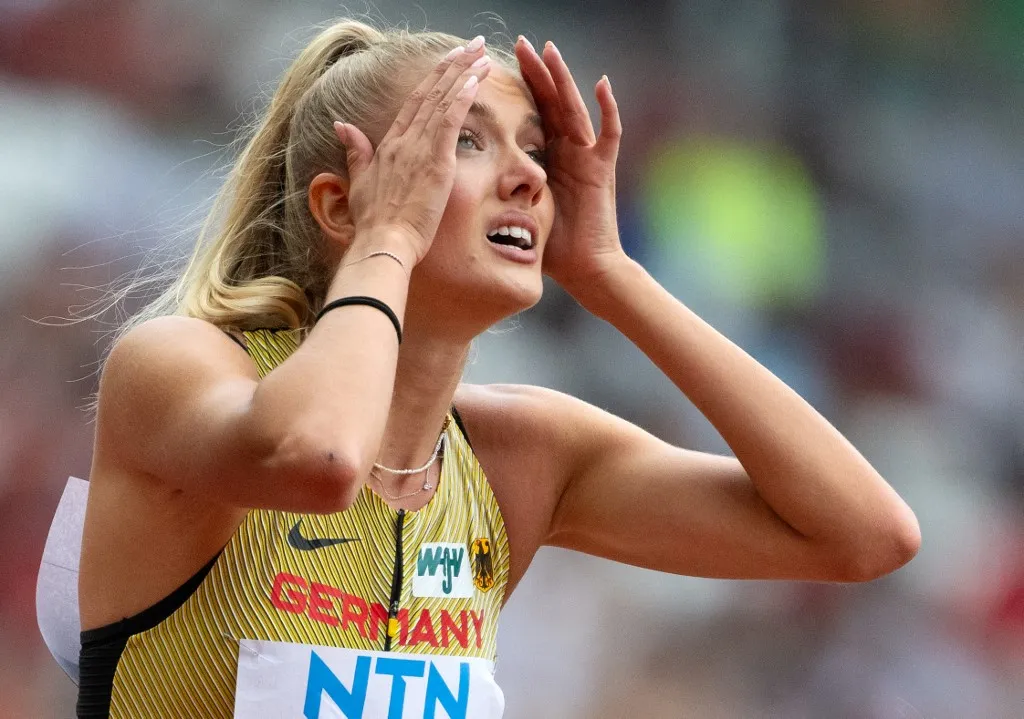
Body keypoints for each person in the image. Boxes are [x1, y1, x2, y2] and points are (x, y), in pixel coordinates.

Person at [71, 18, 921, 719]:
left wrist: (610, 275)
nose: (525, 176)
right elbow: (320, 459)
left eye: (536, 152)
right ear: (339, 202)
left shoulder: (518, 454)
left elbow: (863, 535)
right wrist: (388, 239)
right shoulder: (177, 364)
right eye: (465, 141)